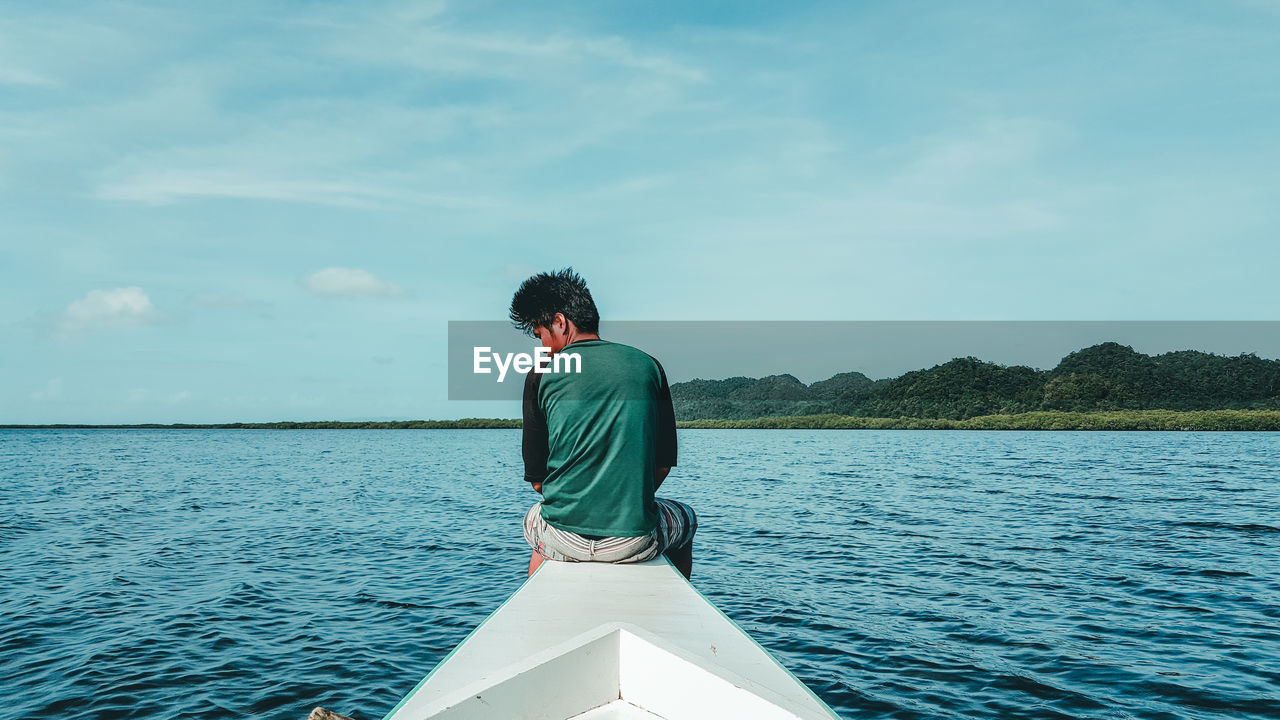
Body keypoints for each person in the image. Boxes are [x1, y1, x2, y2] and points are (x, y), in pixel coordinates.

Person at [510, 268, 696, 580]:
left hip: (563, 540)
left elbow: (539, 483)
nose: (542, 345)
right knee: (686, 519)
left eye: (539, 333)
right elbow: (663, 463)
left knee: (537, 520)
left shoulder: (540, 373)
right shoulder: (648, 366)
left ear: (560, 323)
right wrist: (626, 505)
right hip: (633, 541)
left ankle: (536, 614)